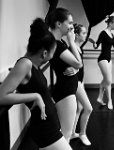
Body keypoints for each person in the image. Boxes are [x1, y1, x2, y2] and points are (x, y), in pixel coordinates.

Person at [0, 18, 72, 150]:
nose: (52, 56)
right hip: (45, 129)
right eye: (52, 53)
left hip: (50, 125)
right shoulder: (25, 64)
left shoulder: (33, 65)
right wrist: (35, 96)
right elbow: (2, 96)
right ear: (44, 53)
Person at [47, 8, 83, 142]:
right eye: (69, 23)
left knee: (64, 133)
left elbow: (76, 66)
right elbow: (79, 63)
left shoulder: (59, 42)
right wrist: (72, 42)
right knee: (66, 135)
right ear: (58, 24)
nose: (72, 26)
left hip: (66, 90)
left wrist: (76, 69)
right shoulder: (57, 44)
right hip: (65, 93)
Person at [89, 15, 114, 110]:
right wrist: (94, 43)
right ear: (110, 23)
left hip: (109, 59)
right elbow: (96, 45)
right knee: (109, 80)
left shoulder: (111, 34)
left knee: (106, 79)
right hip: (102, 59)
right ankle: (110, 100)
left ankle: (100, 98)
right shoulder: (103, 33)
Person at [64, 24, 93, 146]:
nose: (86, 35)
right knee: (88, 108)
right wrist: (74, 70)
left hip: (80, 81)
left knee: (79, 108)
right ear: (76, 35)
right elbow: (67, 66)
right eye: (84, 33)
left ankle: (71, 133)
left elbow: (79, 67)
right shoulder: (71, 48)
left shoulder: (78, 47)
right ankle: (82, 133)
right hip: (75, 83)